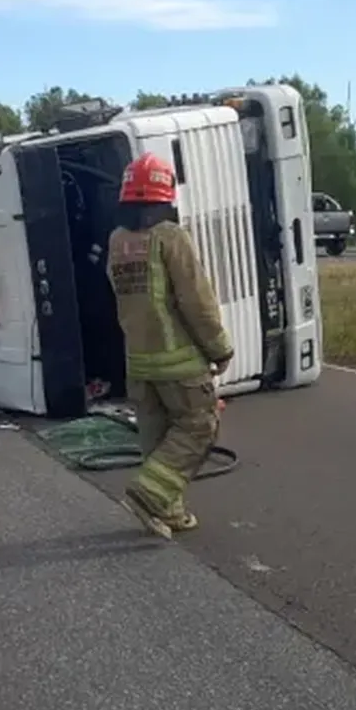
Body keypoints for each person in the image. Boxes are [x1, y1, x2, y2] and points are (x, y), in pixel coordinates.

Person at [106, 152, 231, 538]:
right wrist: (219, 348)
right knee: (199, 426)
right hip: (180, 362)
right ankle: (149, 495)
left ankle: (170, 510)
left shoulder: (117, 240)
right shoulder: (170, 237)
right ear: (166, 195)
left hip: (139, 364)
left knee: (157, 438)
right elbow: (196, 299)